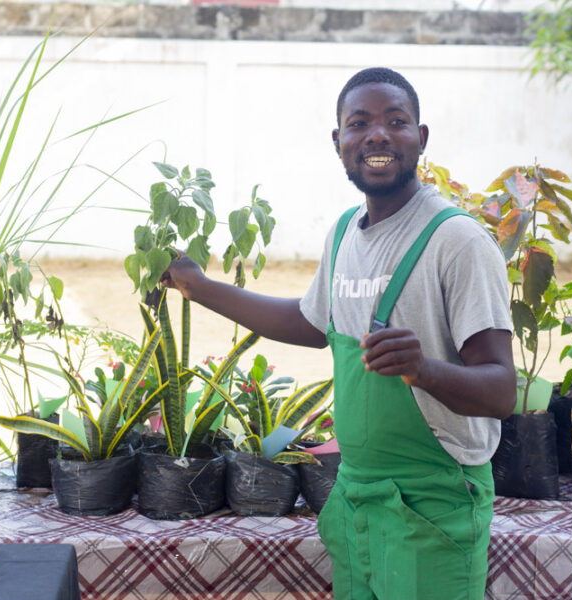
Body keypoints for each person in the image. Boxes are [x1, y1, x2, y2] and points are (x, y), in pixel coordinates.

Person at [162, 67, 516, 600]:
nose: (377, 134)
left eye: (396, 121)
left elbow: (501, 392)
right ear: (339, 142)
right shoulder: (347, 230)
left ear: (420, 139)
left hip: (432, 501)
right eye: (360, 123)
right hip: (357, 497)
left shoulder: (457, 242)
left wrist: (423, 370)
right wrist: (199, 288)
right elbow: (310, 323)